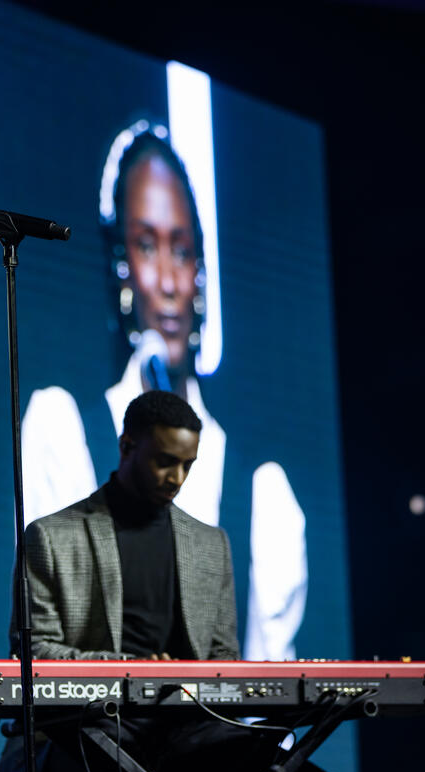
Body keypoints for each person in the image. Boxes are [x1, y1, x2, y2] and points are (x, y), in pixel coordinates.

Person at [20, 120, 307, 662]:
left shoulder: (263, 492)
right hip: (97, 734)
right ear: (121, 265)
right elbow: (50, 632)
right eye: (148, 246)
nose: (171, 283)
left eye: (183, 250)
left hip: (212, 742)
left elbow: (267, 693)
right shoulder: (61, 427)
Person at [0, 391, 336, 772]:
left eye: (187, 465)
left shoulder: (210, 545)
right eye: (165, 461)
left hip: (186, 730)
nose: (176, 477)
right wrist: (133, 668)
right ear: (127, 446)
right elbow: (34, 652)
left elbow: (221, 659)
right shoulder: (51, 537)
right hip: (87, 727)